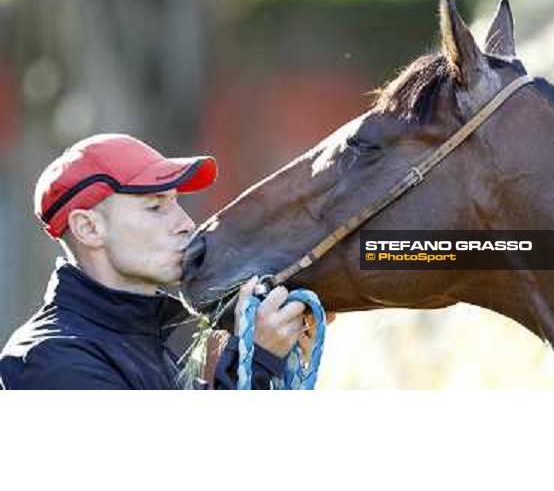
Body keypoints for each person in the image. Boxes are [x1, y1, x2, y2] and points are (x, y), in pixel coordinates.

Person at [0, 133, 329, 390]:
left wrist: (276, 356)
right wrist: (256, 360)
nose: (186, 223)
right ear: (89, 228)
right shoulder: (52, 359)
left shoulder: (144, 341)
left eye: (176, 202)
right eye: (155, 207)